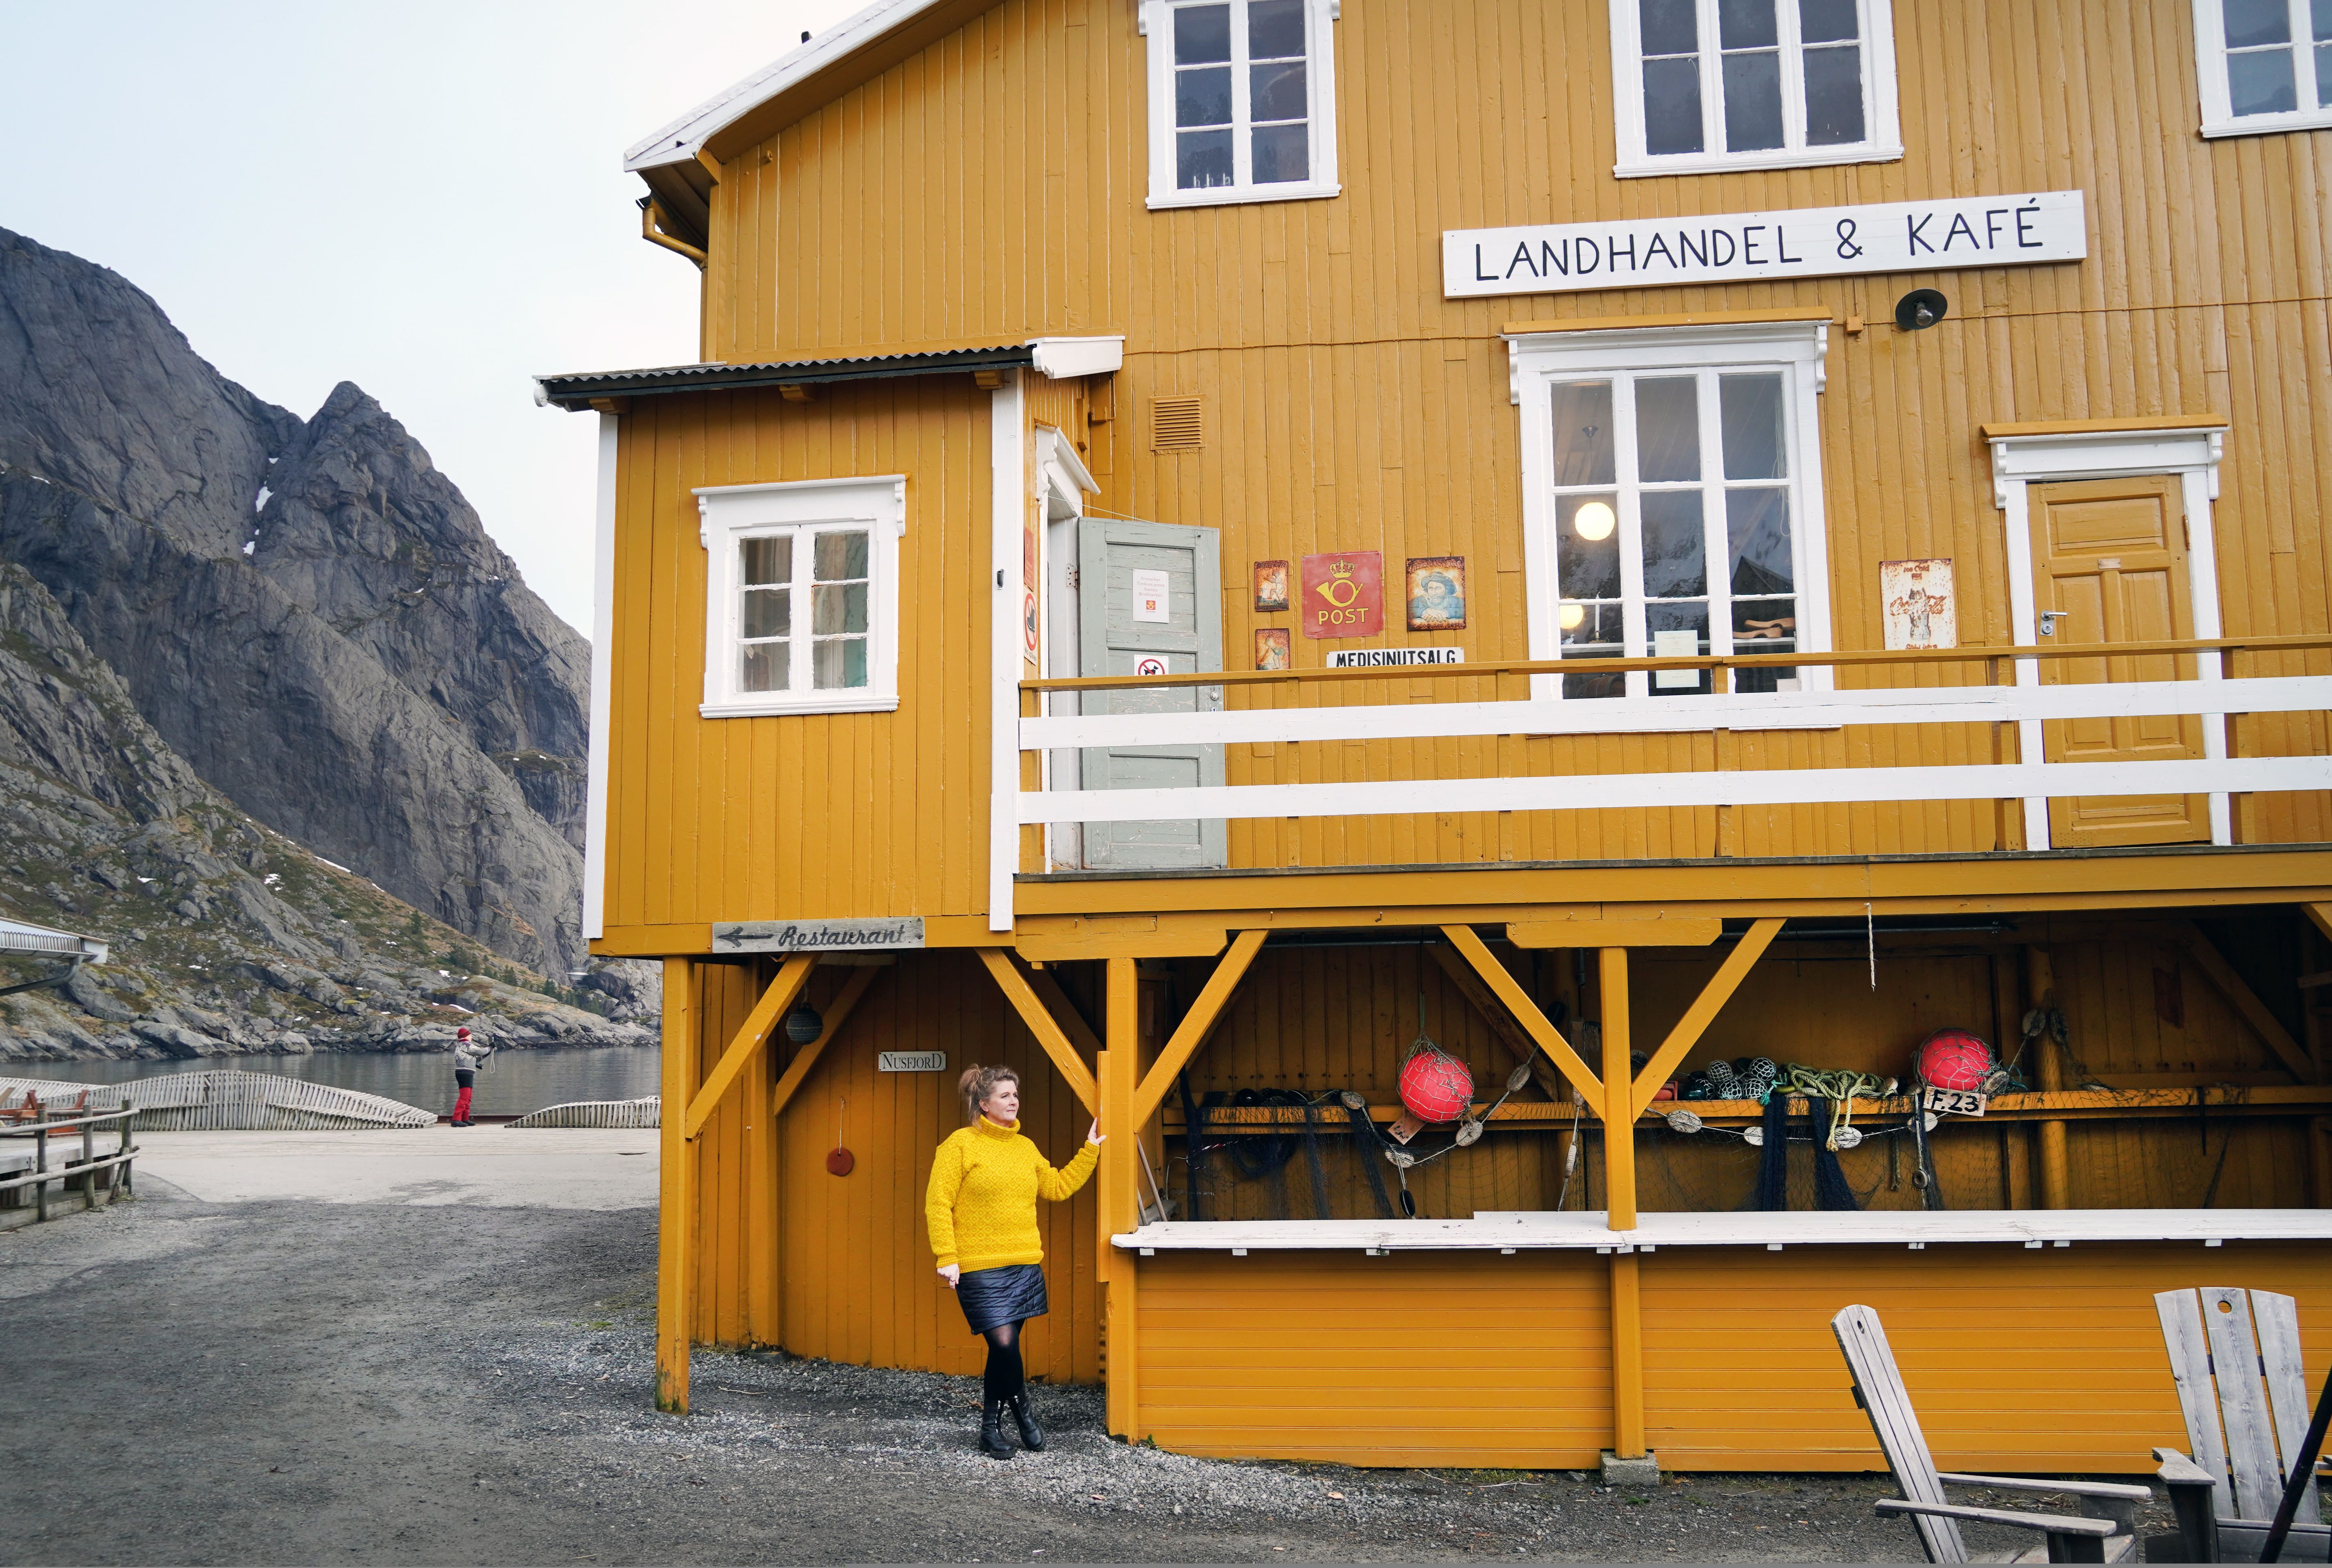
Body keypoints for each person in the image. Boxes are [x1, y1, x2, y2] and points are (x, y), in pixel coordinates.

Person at [924, 1064, 1102, 1459]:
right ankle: (1023, 1410)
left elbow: (1056, 1186)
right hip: (977, 1266)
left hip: (1022, 1264)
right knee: (1004, 1345)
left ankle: (990, 1429)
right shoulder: (959, 1145)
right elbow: (938, 1203)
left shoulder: (1025, 1148)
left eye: (1016, 1094)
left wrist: (1090, 1149)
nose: (1014, 1100)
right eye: (1005, 1095)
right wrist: (947, 1256)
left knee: (1004, 1352)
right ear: (983, 1103)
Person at [449, 1027, 495, 1127]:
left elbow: (479, 1057)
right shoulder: (465, 1045)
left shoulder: (463, 1046)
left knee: (468, 1097)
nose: (472, 1037)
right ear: (465, 1036)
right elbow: (480, 1052)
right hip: (464, 1073)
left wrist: (489, 1051)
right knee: (464, 1097)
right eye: (470, 1035)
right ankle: (456, 1120)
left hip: (467, 1073)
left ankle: (465, 1119)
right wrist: (490, 1047)